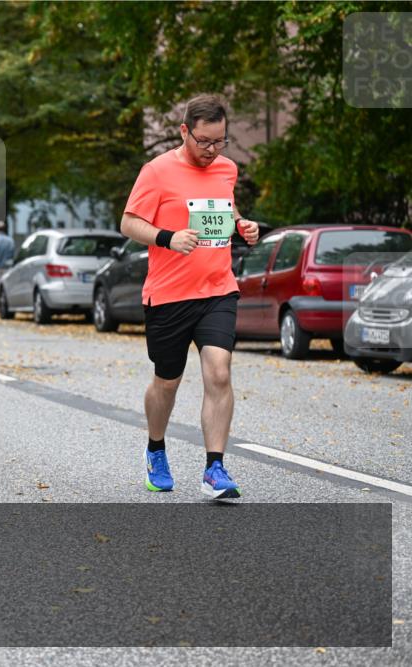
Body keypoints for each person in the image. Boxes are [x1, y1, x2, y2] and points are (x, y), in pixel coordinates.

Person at [120, 95, 260, 501]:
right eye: (204, 142)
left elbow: (225, 209)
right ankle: (156, 449)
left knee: (219, 371)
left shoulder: (226, 169)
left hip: (217, 288)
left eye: (220, 142)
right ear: (185, 131)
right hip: (169, 295)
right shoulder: (157, 171)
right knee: (167, 381)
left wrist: (242, 226)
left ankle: (215, 468)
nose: (212, 151)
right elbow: (129, 222)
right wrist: (168, 237)